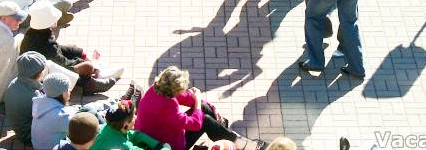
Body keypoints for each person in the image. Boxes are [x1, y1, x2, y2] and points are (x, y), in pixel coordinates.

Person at [135, 66, 264, 150]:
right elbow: (195, 124)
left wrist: (209, 106)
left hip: (161, 135)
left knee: (204, 109)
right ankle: (241, 144)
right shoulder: (167, 107)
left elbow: (186, 97)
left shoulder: (157, 89)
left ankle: (228, 136)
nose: (183, 90)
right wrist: (197, 101)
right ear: (173, 90)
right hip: (170, 146)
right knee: (205, 120)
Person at [20, 1, 121, 95]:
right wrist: (81, 62)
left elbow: (58, 49)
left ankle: (98, 71)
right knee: (88, 66)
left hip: (46, 66)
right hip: (45, 75)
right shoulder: (46, 43)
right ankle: (90, 84)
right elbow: (63, 65)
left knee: (73, 48)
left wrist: (80, 53)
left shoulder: (34, 32)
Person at [31, 73, 108, 150]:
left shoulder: (40, 102)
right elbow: (84, 129)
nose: (70, 92)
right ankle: (108, 129)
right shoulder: (62, 116)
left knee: (88, 109)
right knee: (90, 123)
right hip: (53, 148)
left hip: (38, 144)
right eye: (68, 89)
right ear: (63, 93)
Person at [0, 1, 27, 120]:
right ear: (3, 18)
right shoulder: (6, 42)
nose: (20, 21)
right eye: (16, 18)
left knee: (20, 37)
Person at [3, 51, 47, 145]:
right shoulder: (34, 98)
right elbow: (47, 116)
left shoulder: (15, 82)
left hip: (19, 129)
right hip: (29, 135)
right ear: (38, 73)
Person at [92, 100, 169, 150]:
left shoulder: (108, 126)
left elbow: (134, 134)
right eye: (133, 116)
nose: (135, 118)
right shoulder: (123, 146)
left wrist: (156, 144)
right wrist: (165, 148)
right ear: (125, 124)